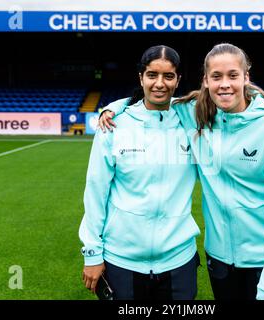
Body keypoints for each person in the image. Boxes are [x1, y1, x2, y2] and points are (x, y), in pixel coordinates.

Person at [100, 43, 264, 300]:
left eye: (232, 75)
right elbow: (155, 96)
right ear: (206, 81)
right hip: (219, 260)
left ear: (246, 77)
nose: (224, 84)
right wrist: (114, 107)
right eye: (216, 76)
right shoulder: (196, 115)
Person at [79, 45, 201, 300]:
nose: (160, 83)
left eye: (168, 76)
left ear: (178, 80)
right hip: (121, 260)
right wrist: (92, 252)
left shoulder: (192, 122)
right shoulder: (114, 125)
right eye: (152, 75)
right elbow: (95, 192)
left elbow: (234, 97)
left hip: (178, 260)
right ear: (140, 78)